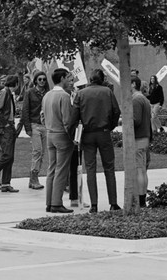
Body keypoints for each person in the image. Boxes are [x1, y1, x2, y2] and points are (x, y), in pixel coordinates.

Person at [70, 69, 121, 213]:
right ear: (102, 79)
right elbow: (116, 111)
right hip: (104, 132)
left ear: (90, 79)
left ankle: (94, 204)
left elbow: (74, 115)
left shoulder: (81, 93)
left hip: (88, 133)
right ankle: (113, 202)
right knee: (109, 168)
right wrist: (111, 125)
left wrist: (74, 132)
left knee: (91, 169)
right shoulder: (107, 92)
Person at [42, 68, 74, 213]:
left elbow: (42, 116)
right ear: (62, 78)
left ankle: (49, 202)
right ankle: (56, 203)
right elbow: (67, 120)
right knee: (61, 170)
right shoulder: (64, 96)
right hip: (61, 135)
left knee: (52, 168)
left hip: (49, 134)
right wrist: (73, 137)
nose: (69, 80)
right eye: (68, 77)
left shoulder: (47, 95)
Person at [22, 70, 49, 190]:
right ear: (36, 81)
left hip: (46, 125)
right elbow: (25, 110)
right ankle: (33, 178)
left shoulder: (48, 93)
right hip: (35, 124)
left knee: (42, 152)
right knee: (37, 151)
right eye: (40, 79)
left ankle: (35, 177)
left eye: (44, 79)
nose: (42, 81)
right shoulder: (30, 92)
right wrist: (27, 127)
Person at [132, 75, 152, 207]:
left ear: (133, 84)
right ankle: (142, 197)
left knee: (139, 170)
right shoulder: (144, 99)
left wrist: (124, 120)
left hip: (138, 138)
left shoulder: (136, 100)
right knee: (143, 170)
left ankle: (140, 200)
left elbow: (136, 120)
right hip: (145, 137)